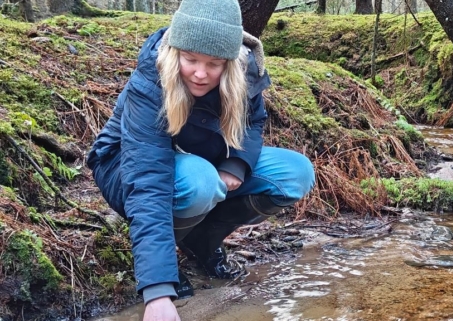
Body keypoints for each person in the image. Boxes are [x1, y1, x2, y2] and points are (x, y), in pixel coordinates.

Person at [85, 0, 316, 319]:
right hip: (123, 164)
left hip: (199, 156)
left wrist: (236, 163)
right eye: (190, 59)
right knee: (200, 183)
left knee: (295, 173)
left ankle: (202, 241)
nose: (200, 73)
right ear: (175, 50)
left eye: (214, 64)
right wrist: (157, 291)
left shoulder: (245, 70)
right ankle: (167, 263)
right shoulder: (151, 80)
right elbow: (149, 179)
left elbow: (252, 122)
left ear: (231, 61)